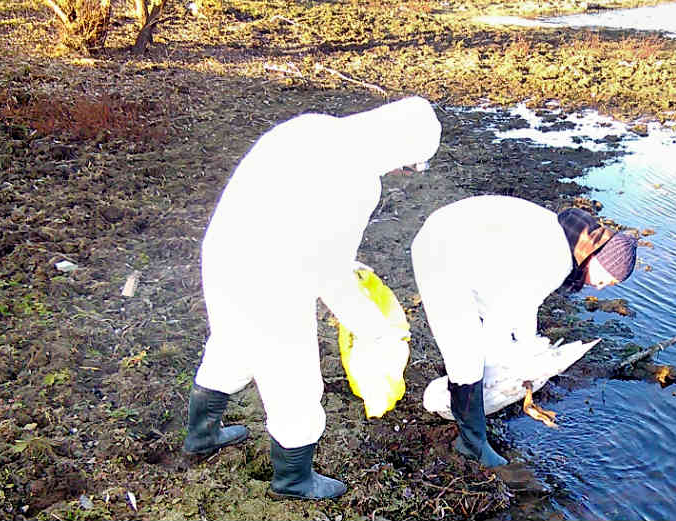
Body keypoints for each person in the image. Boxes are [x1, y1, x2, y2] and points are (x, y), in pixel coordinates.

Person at [182, 97, 441, 499]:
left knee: (231, 343)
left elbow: (298, 213)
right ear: (401, 149)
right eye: (408, 165)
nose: (399, 173)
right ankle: (293, 480)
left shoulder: (312, 126)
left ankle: (201, 436)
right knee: (294, 379)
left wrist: (342, 263)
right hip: (270, 278)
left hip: (223, 253)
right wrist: (375, 330)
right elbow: (331, 277)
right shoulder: (359, 180)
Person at [411, 195, 637, 467]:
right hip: (440, 254)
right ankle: (472, 444)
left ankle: (469, 412)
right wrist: (504, 365)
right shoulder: (557, 261)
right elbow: (503, 315)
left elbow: (526, 302)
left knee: (480, 338)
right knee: (467, 359)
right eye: (608, 279)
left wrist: (528, 347)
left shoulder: (564, 239)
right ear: (599, 258)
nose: (601, 286)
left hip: (459, 246)